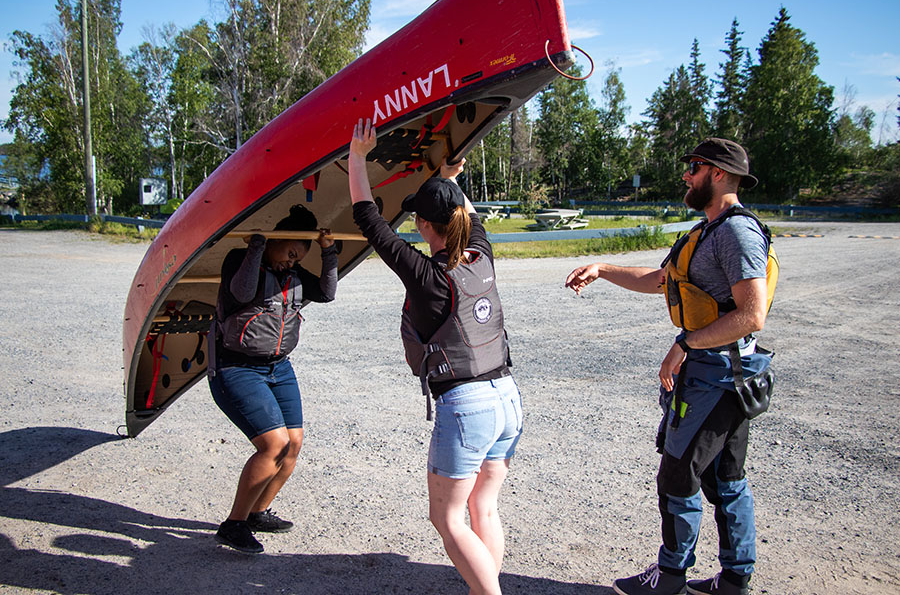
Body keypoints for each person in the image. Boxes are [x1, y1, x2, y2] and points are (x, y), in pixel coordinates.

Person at [566, 138, 774, 595]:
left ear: (718, 174)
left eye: (694, 167)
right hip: (719, 373)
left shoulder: (737, 233)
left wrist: (685, 343)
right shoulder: (706, 231)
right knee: (725, 478)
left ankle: (671, 577)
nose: (686, 175)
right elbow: (660, 281)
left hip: (719, 377)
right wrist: (601, 268)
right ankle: (735, 578)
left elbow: (751, 314)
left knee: (679, 475)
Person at [349, 118, 523, 595]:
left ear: (426, 226)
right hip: (508, 398)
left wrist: (358, 155)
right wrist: (448, 179)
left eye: (417, 220)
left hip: (467, 407)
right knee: (483, 509)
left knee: (446, 519)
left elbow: (369, 220)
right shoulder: (482, 255)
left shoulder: (427, 277)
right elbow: (469, 215)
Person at [209, 204, 337, 554]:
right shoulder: (240, 258)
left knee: (293, 444)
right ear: (277, 240)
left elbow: (326, 293)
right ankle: (233, 524)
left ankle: (257, 513)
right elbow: (242, 292)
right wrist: (258, 247)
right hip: (236, 368)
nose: (292, 263)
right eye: (291, 253)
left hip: (279, 367)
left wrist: (328, 253)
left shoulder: (292, 277)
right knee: (274, 445)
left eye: (298, 259)